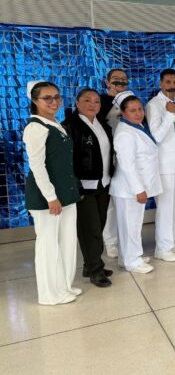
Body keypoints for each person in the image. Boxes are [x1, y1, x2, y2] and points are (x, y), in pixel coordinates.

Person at [24, 81, 81, 305]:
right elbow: (37, 166)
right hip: (47, 198)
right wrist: (50, 197)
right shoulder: (35, 128)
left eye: (57, 96)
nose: (54, 102)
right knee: (48, 245)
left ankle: (64, 285)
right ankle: (49, 294)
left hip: (65, 193)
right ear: (34, 101)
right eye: (47, 98)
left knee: (67, 241)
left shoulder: (54, 123)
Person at [63, 88, 114, 288]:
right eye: (87, 100)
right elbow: (67, 161)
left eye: (96, 101)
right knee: (89, 229)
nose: (92, 104)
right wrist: (76, 187)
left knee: (99, 225)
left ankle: (90, 264)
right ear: (77, 103)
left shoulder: (102, 123)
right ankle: (95, 270)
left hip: (103, 183)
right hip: (84, 187)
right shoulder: (70, 126)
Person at [110, 92, 162, 274]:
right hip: (129, 189)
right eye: (132, 110)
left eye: (140, 109)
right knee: (130, 226)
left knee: (133, 224)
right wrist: (138, 190)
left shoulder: (137, 127)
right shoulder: (125, 134)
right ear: (123, 113)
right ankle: (133, 261)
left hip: (135, 187)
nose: (139, 113)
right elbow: (128, 165)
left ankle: (128, 257)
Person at [145, 69, 175, 262]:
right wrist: (169, 115)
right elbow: (156, 136)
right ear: (161, 84)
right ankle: (162, 249)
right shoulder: (154, 105)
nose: (172, 86)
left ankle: (171, 241)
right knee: (165, 208)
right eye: (168, 82)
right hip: (164, 165)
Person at [99, 68, 129, 259]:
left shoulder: (130, 103)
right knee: (109, 204)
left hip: (126, 159)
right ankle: (111, 242)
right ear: (108, 82)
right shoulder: (100, 102)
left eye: (123, 79)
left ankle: (127, 240)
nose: (120, 82)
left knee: (125, 202)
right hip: (106, 159)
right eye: (116, 79)